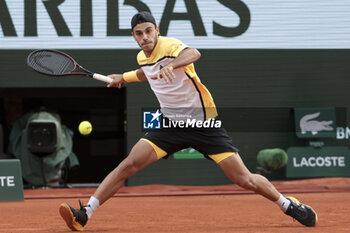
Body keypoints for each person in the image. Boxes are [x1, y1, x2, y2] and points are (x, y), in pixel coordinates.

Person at [59, 12, 318, 231]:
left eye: (149, 31)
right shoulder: (142, 56)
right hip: (169, 124)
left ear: (157, 30)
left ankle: (288, 205)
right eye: (139, 33)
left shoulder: (170, 46)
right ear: (134, 36)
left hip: (204, 124)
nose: (145, 37)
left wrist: (174, 65)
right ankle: (85, 215)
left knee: (244, 179)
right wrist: (123, 77)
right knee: (128, 165)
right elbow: (145, 71)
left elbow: (193, 52)